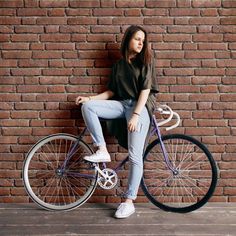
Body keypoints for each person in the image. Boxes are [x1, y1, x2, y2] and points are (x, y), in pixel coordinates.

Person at [75, 25, 159, 218]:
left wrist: (136, 115)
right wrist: (90, 98)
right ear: (128, 39)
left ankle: (129, 201)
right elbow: (111, 92)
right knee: (88, 108)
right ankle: (102, 149)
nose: (141, 43)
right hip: (122, 104)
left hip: (140, 107)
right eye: (137, 38)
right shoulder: (119, 65)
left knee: (135, 155)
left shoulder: (146, 60)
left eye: (143, 40)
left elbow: (145, 91)